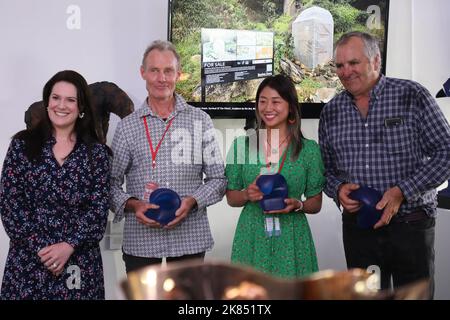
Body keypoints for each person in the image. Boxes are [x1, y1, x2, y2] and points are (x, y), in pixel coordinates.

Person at [318, 31, 450, 296]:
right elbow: (328, 171)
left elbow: (445, 152)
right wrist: (338, 189)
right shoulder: (331, 112)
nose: (346, 72)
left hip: (410, 226)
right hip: (359, 230)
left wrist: (402, 191)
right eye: (340, 65)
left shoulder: (412, 95)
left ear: (376, 61)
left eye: (354, 63)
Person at [109, 40, 226, 274]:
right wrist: (133, 205)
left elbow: (219, 180)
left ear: (178, 75)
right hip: (141, 242)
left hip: (190, 238)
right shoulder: (127, 127)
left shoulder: (200, 120)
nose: (161, 78)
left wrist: (192, 201)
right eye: (154, 70)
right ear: (143, 73)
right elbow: (109, 184)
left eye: (168, 71)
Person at [0, 70, 111, 300]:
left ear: (81, 108)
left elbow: (98, 211)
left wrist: (68, 245)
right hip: (28, 264)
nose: (62, 105)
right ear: (47, 101)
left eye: (71, 100)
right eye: (56, 97)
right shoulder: (22, 146)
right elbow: (10, 204)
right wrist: (43, 249)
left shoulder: (97, 153)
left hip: (80, 266)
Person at [225, 74, 325, 278]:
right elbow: (231, 198)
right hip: (251, 234)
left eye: (276, 101)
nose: (268, 108)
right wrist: (246, 195)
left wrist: (298, 205)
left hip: (292, 237)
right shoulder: (242, 146)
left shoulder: (309, 150)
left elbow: (316, 203)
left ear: (290, 107)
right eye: (262, 101)